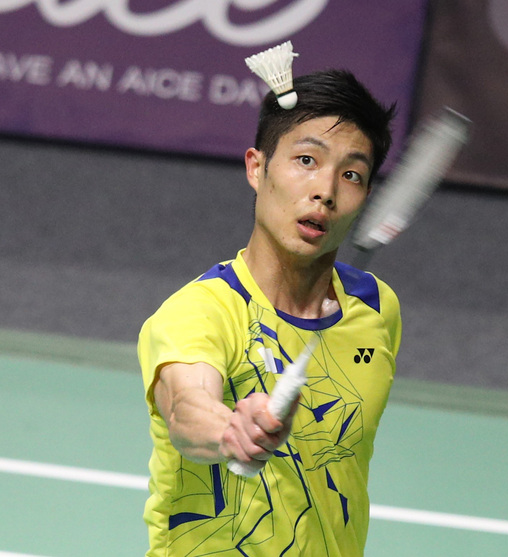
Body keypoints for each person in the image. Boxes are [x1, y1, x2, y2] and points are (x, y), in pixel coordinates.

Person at [137, 69, 401, 557]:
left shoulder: (375, 308)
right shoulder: (201, 311)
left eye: (351, 174)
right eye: (306, 160)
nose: (325, 190)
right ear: (257, 168)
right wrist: (230, 430)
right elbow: (185, 409)